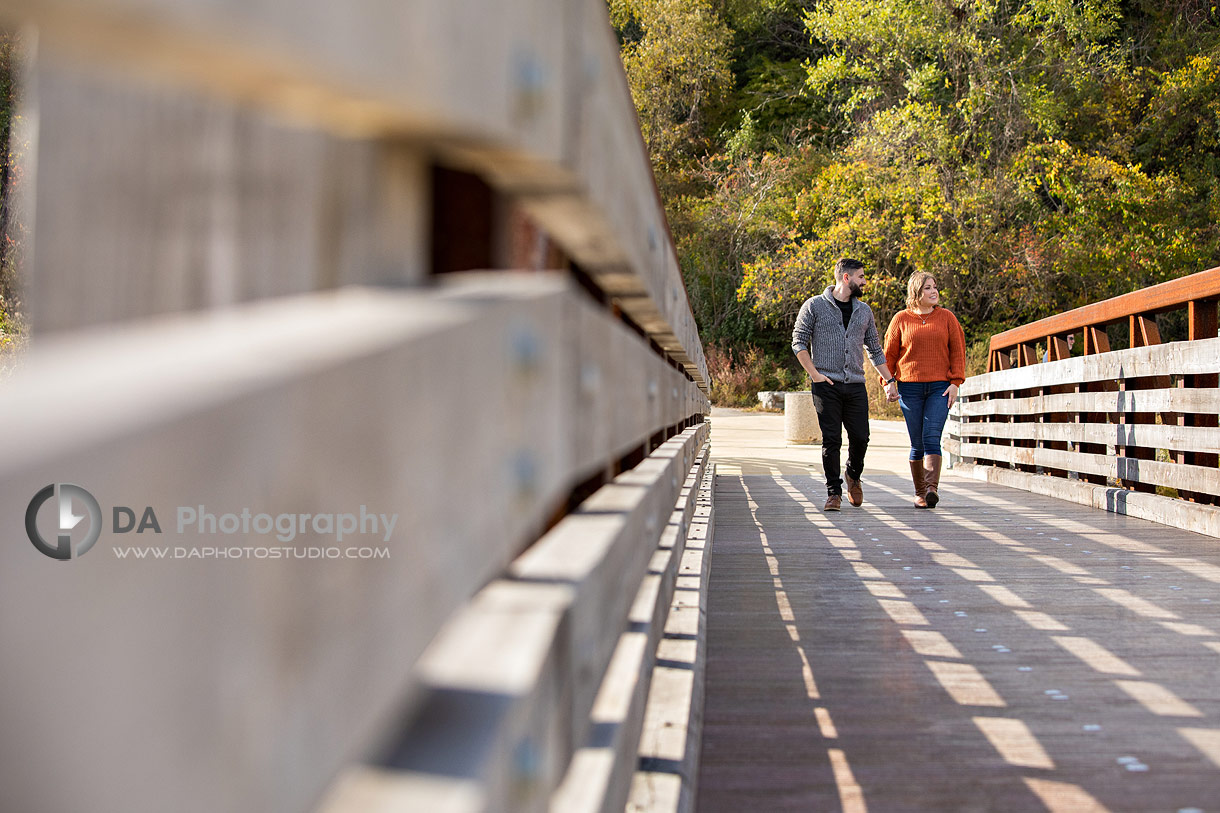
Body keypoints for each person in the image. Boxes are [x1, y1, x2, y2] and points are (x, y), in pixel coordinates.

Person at [792, 258, 899, 512]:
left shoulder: (864, 311)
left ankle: (853, 474)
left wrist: (890, 380)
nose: (865, 281)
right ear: (847, 278)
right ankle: (834, 493)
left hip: (855, 385)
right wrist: (815, 375)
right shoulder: (814, 306)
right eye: (861, 276)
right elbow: (798, 342)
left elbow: (874, 349)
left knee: (861, 437)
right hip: (825, 385)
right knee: (831, 440)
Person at [883, 272, 966, 509]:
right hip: (909, 388)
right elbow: (889, 355)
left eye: (935, 287)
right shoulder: (901, 319)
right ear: (916, 293)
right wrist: (888, 382)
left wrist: (955, 383)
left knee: (932, 438)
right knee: (917, 442)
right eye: (928, 288)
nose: (934, 291)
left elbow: (958, 351)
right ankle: (920, 492)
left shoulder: (947, 318)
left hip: (940, 387)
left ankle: (931, 489)